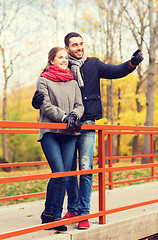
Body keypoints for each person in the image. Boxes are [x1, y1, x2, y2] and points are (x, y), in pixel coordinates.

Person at [32, 32, 144, 229]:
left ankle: (82, 213)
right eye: (74, 45)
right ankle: (69, 210)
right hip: (65, 127)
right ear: (66, 48)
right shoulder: (58, 73)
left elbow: (114, 71)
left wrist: (131, 64)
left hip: (86, 124)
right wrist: (39, 104)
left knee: (85, 169)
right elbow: (47, 99)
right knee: (67, 171)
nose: (79, 48)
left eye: (81, 44)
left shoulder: (92, 64)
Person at [35, 46, 84, 231]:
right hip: (50, 133)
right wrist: (65, 117)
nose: (64, 60)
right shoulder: (43, 80)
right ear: (51, 61)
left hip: (69, 134)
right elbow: (45, 106)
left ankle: (51, 215)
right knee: (59, 173)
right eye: (60, 57)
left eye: (66, 58)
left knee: (64, 176)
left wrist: (74, 115)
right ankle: (53, 215)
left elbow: (80, 105)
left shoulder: (73, 82)